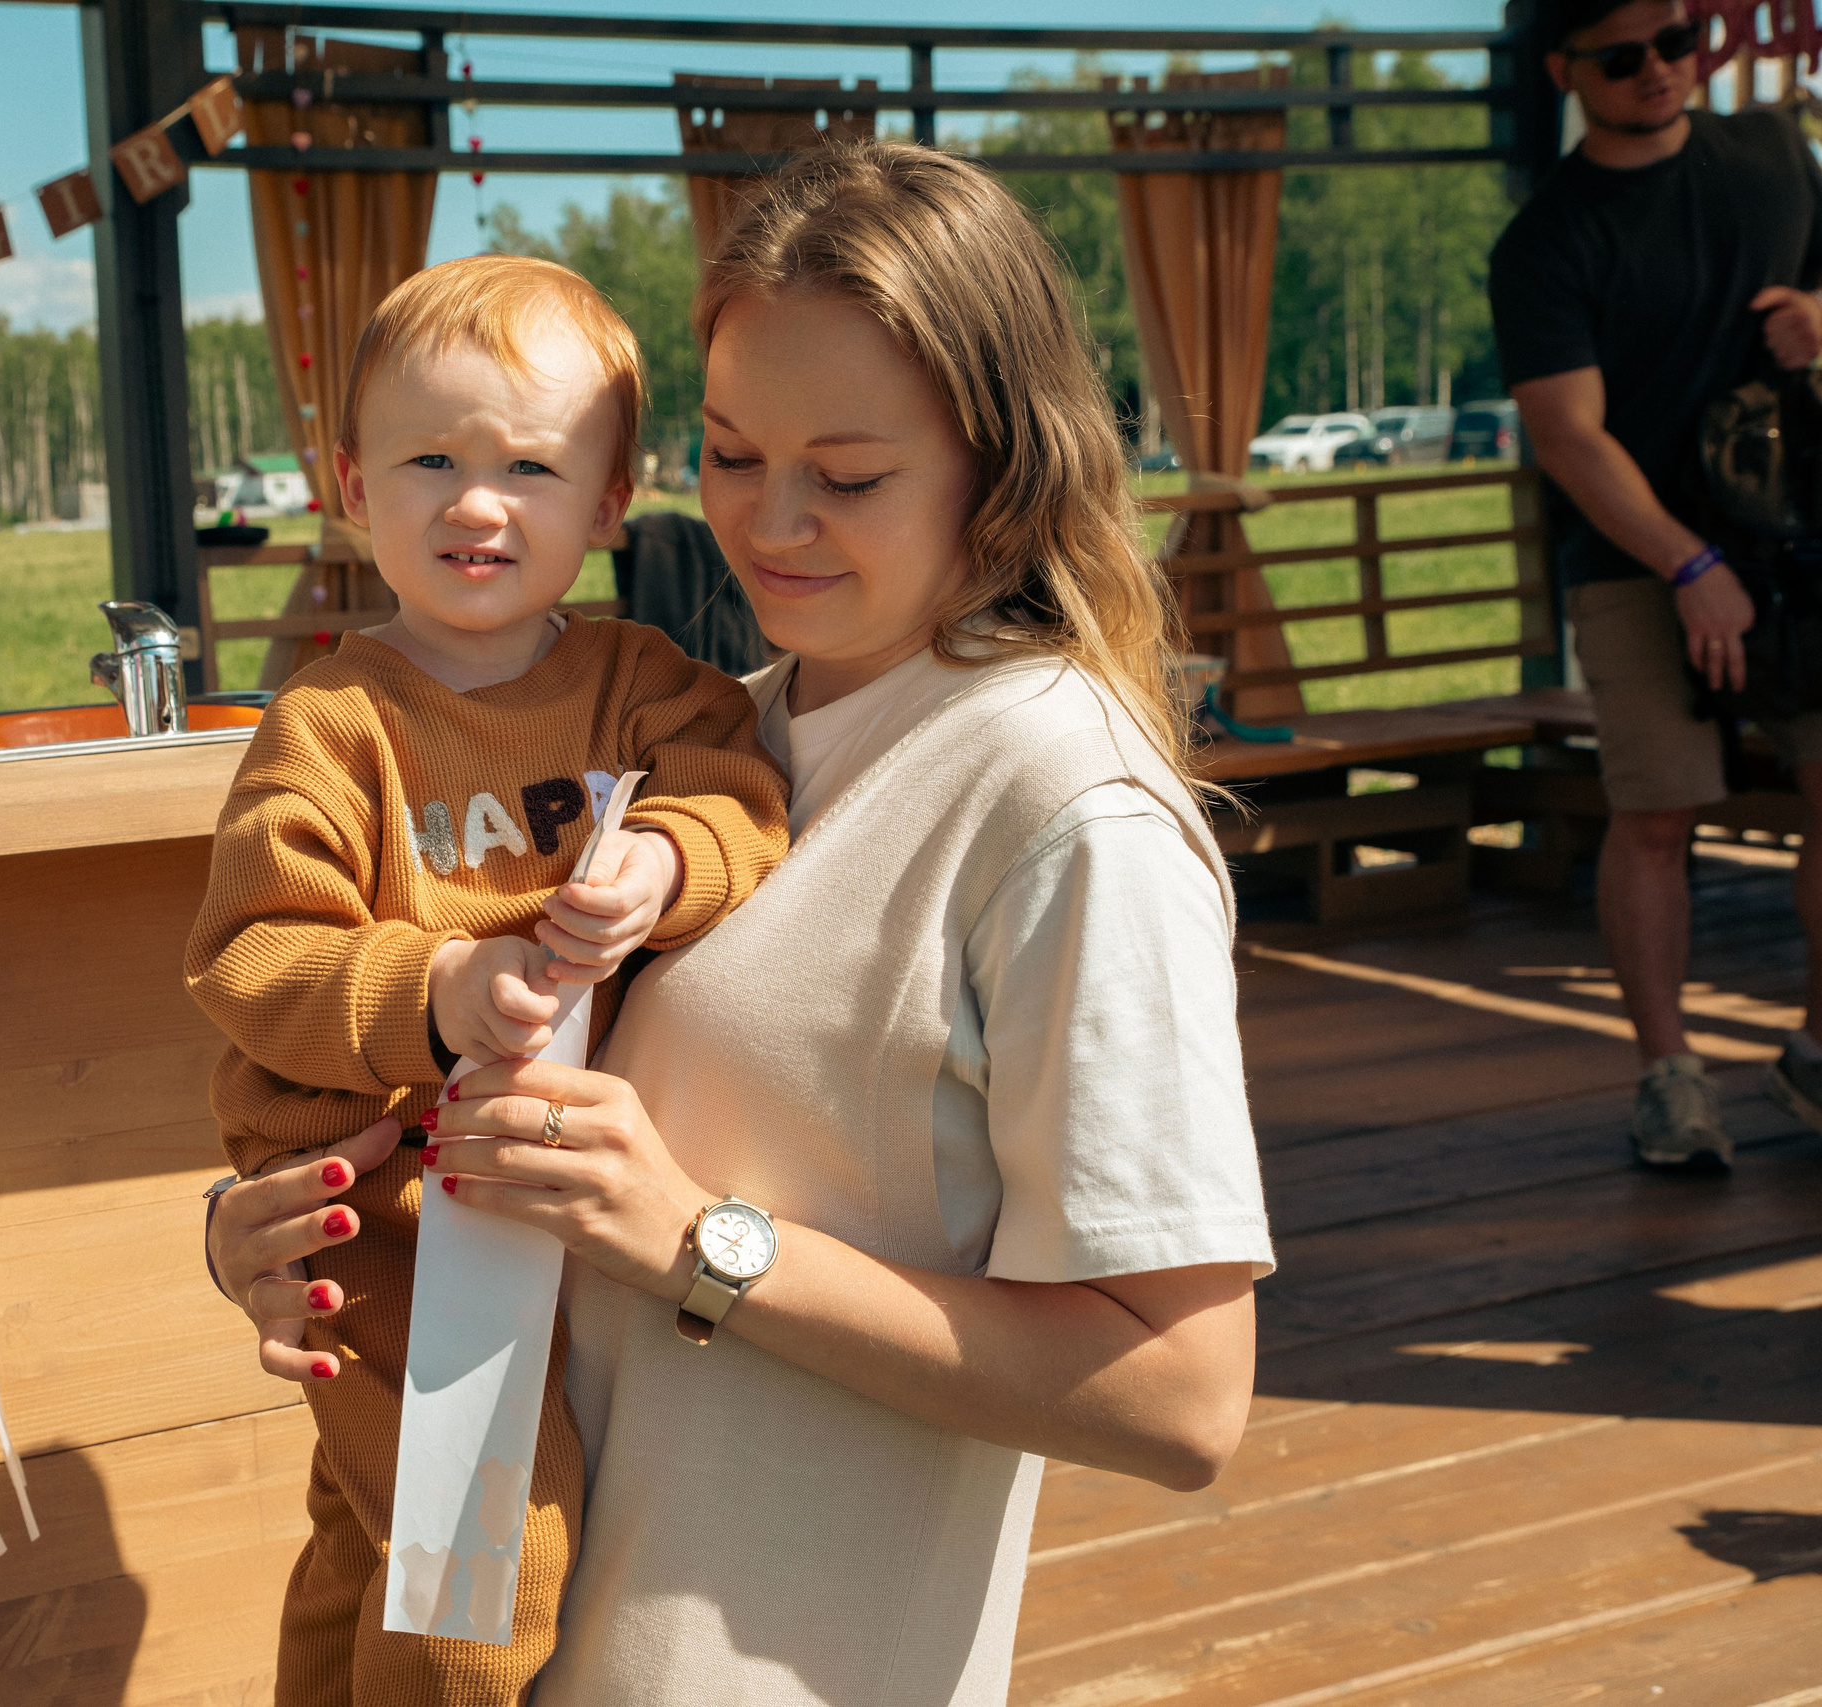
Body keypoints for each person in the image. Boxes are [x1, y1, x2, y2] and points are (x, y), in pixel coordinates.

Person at [206, 142, 1269, 1705]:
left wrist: (696, 1241)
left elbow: (1181, 1393)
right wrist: (295, 1228)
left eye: (848, 476)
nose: (771, 524)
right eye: (732, 453)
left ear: (1009, 462)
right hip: (493, 1622)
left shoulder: (1063, 802)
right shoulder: (704, 733)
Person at [182, 254, 789, 1707]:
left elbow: (741, 797)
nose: (477, 500)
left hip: (563, 1204)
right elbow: (252, 953)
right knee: (466, 1569)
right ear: (349, 484)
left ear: (608, 497)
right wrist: (437, 982)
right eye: (430, 458)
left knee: (372, 1540)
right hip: (385, 1206)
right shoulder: (332, 721)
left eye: (530, 462)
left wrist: (661, 871)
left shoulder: (641, 680)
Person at [1491, 0, 1822, 1171]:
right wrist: (1687, 564)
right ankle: (1668, 1076)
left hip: (1796, 543)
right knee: (1657, 814)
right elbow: (1569, 436)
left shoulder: (1779, 159)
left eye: (1676, 44)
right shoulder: (1545, 242)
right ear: (1564, 70)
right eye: (1622, 58)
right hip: (1634, 557)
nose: (1658, 73)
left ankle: (1815, 1057)